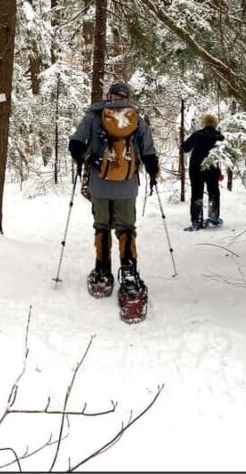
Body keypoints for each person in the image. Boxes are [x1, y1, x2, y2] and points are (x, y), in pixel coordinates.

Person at [68, 82, 159, 323]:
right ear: (127, 97)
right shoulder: (136, 118)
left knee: (102, 226)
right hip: (127, 185)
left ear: (109, 96)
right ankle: (129, 275)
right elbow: (148, 150)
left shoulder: (95, 115)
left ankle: (102, 272)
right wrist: (152, 171)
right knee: (126, 228)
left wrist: (79, 156)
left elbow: (76, 143)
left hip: (99, 183)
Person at [182, 114, 224, 231]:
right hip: (212, 167)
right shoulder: (219, 136)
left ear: (204, 123)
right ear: (215, 124)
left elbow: (185, 147)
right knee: (214, 192)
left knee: (196, 193)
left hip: (196, 167)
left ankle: (196, 222)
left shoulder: (197, 134)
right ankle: (214, 218)